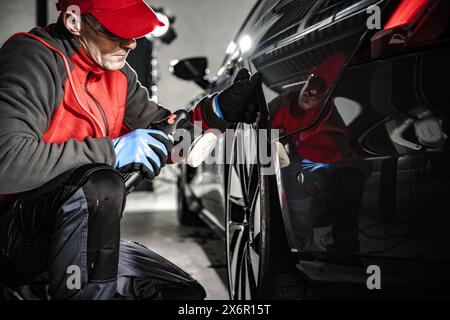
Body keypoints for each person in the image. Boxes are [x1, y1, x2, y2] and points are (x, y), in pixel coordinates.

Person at [0, 0, 261, 300]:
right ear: (74, 21)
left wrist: (218, 112)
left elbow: (166, 137)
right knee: (100, 185)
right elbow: (5, 162)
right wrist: (112, 151)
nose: (131, 42)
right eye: (117, 31)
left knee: (180, 293)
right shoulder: (31, 59)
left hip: (73, 237)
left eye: (133, 31)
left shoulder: (118, 75)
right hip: (14, 242)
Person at [270, 53, 367, 253]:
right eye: (311, 85)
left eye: (319, 91)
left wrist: (328, 169)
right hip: (290, 166)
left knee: (350, 180)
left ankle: (345, 248)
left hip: (323, 171)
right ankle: (299, 244)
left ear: (326, 95)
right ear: (307, 78)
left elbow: (347, 154)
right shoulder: (282, 104)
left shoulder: (330, 118)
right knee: (292, 175)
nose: (310, 94)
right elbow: (259, 131)